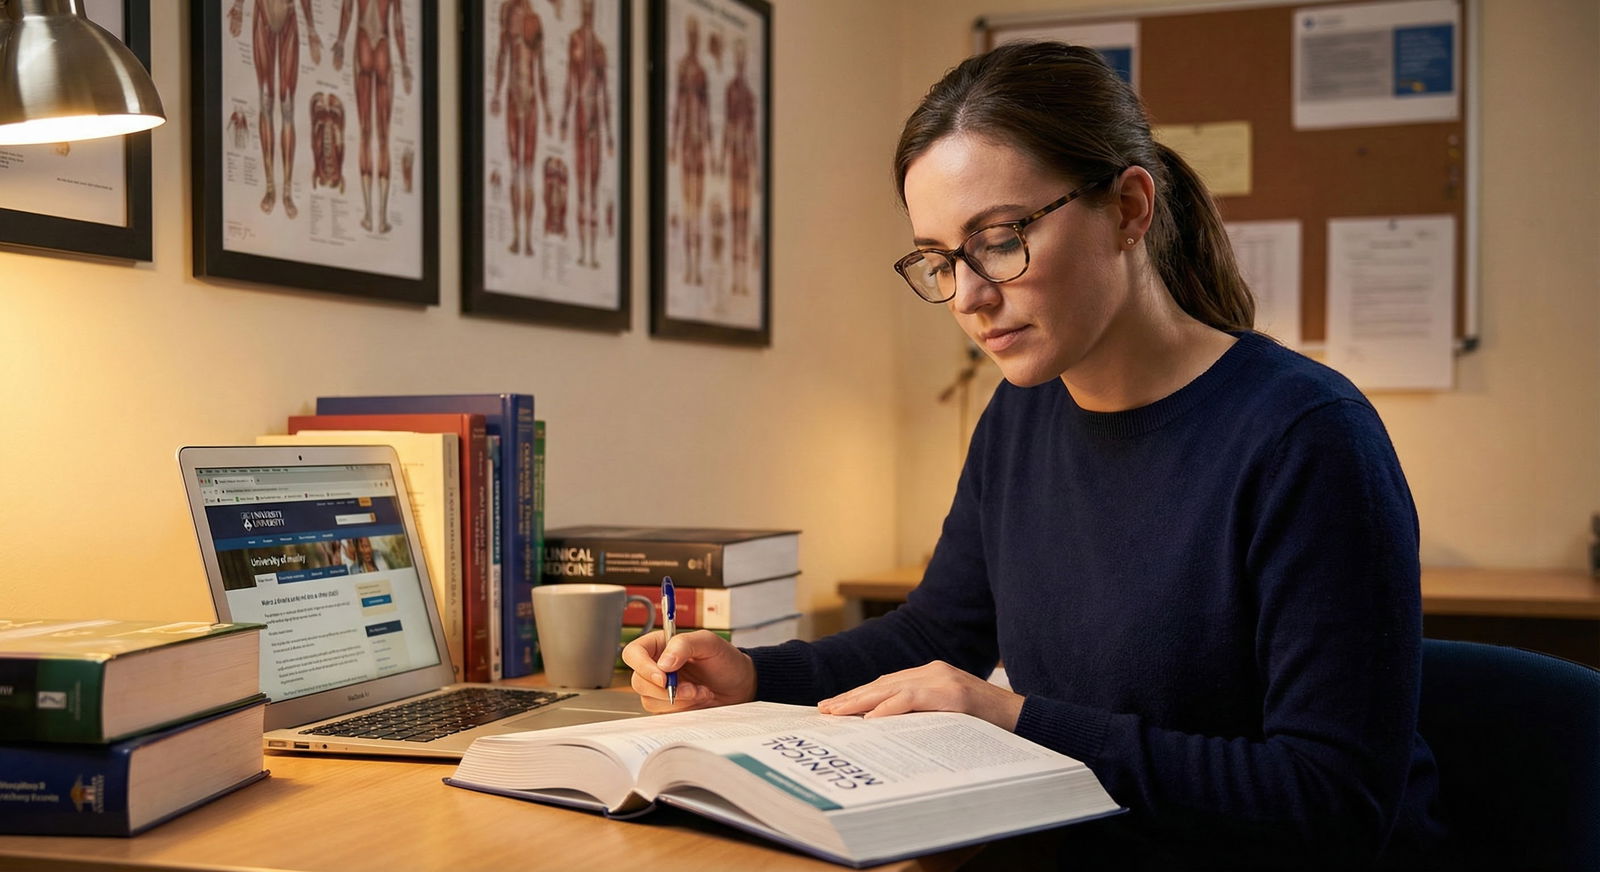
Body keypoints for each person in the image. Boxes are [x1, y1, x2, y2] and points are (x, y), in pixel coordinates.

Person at [622, 41, 1448, 870]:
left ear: (1128, 209)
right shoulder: (1022, 413)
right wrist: (751, 675)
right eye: (941, 259)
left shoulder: (1308, 436)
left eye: (1001, 237)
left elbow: (1332, 802)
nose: (972, 297)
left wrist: (1012, 717)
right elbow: (938, 631)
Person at [229, 0, 321, 219]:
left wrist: (311, 30)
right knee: (266, 101)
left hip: (289, 16)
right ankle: (270, 188)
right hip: (263, 13)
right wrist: (239, 8)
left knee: (287, 105)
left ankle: (287, 192)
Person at [332, 0, 413, 234]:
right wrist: (339, 41)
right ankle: (373, 214)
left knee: (372, 133)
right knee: (372, 133)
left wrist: (340, 41)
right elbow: (395, 22)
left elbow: (396, 22)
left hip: (369, 45)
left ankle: (375, 214)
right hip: (376, 46)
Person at [490, 0, 553, 257]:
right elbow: (501, 62)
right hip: (513, 98)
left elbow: (541, 71)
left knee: (527, 170)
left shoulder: (534, 23)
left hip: (531, 102)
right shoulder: (507, 23)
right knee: (517, 169)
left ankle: (527, 238)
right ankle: (518, 236)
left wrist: (548, 110)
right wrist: (495, 94)